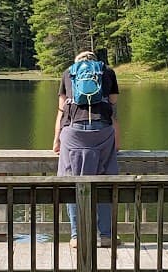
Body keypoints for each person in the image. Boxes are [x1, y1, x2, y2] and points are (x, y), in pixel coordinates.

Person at [51, 48, 120, 248]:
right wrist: (116, 143)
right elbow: (113, 111)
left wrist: (57, 140)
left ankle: (77, 236)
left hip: (73, 134)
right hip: (103, 132)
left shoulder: (68, 72)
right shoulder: (108, 72)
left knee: (72, 181)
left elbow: (61, 111)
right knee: (105, 182)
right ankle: (105, 235)